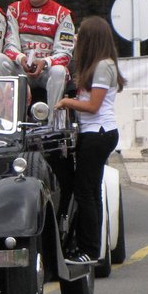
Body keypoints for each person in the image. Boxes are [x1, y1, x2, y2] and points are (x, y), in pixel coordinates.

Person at [55, 16, 124, 264]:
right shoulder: (97, 65)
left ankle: (90, 250)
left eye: (80, 34)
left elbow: (94, 106)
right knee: (89, 190)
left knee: (87, 192)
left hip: (99, 132)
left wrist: (65, 102)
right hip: (93, 133)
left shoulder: (104, 66)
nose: (76, 39)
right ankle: (87, 247)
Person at [0, 0, 76, 111]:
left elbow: (65, 54)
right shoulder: (15, 9)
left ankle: (52, 123)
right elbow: (9, 46)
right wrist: (22, 59)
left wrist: (44, 62)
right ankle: (8, 113)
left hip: (47, 71)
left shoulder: (62, 14)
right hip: (22, 68)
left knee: (59, 70)